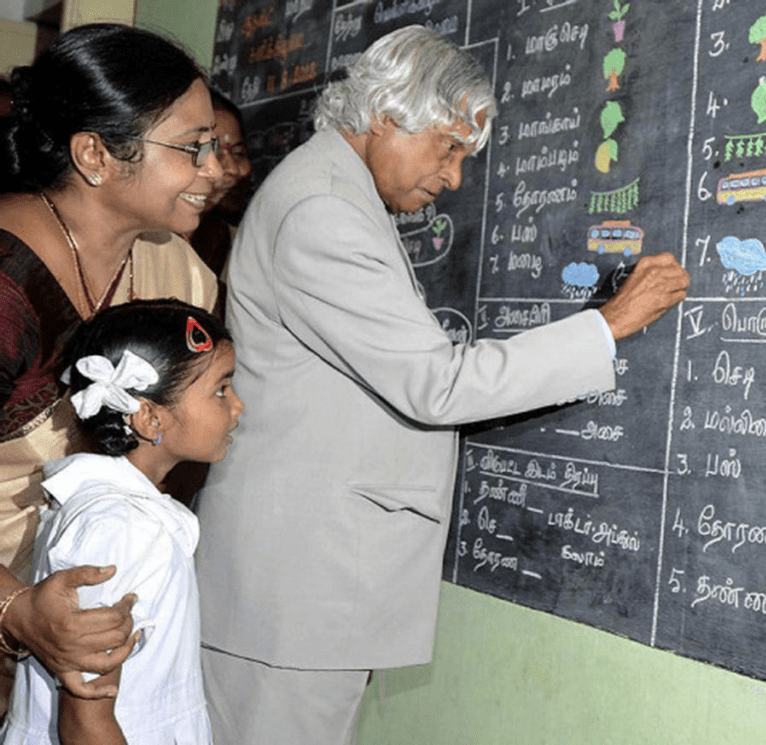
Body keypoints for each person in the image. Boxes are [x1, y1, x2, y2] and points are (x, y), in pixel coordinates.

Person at [195, 25, 690, 745]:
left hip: (307, 579)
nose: (454, 178)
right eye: (449, 147)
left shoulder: (332, 191)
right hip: (299, 584)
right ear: (389, 115)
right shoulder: (323, 210)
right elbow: (436, 383)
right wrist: (606, 325)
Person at [0, 23, 221, 709]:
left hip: (87, 624)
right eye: (192, 148)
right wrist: (16, 611)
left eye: (213, 146)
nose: (217, 168)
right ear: (95, 153)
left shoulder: (181, 276)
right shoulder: (7, 285)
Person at [2, 300, 243, 744]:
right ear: (150, 416)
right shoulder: (123, 528)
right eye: (221, 390)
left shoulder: (126, 511)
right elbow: (87, 720)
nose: (238, 406)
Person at [188, 89, 252, 280]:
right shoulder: (143, 245)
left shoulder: (246, 249)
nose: (232, 169)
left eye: (239, 154)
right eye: (213, 152)